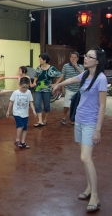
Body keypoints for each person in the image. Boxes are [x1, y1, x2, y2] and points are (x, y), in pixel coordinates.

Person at [52, 48, 107, 213]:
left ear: (97, 61)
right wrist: (59, 84)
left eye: (90, 56)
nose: (86, 58)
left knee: (86, 158)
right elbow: (73, 79)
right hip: (79, 120)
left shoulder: (101, 79)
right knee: (84, 158)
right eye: (86, 55)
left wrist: (98, 129)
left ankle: (95, 196)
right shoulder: (85, 74)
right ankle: (89, 187)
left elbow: (103, 106)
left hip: (91, 122)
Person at [30, 53, 61, 127]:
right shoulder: (39, 68)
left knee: (46, 105)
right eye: (39, 59)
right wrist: (34, 82)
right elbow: (36, 76)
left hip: (47, 89)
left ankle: (45, 119)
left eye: (41, 59)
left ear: (45, 60)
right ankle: (40, 120)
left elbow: (60, 75)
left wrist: (56, 84)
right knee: (37, 104)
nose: (39, 60)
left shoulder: (51, 68)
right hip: (37, 89)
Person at [6, 77, 37, 149]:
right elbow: (11, 101)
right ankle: (17, 140)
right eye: (23, 87)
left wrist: (33, 110)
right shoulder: (16, 92)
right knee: (21, 125)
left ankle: (23, 142)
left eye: (27, 87)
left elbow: (30, 102)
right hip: (17, 113)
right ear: (20, 85)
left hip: (25, 113)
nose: (25, 89)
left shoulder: (28, 92)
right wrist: (8, 111)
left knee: (25, 128)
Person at [54, 51, 84, 125]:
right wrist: (57, 84)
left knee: (77, 105)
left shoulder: (80, 66)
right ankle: (64, 117)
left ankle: (74, 119)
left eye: (75, 57)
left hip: (78, 89)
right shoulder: (66, 66)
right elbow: (62, 76)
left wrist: (76, 67)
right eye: (72, 57)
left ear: (77, 58)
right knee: (66, 105)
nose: (73, 59)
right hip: (69, 88)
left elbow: (83, 75)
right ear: (69, 58)